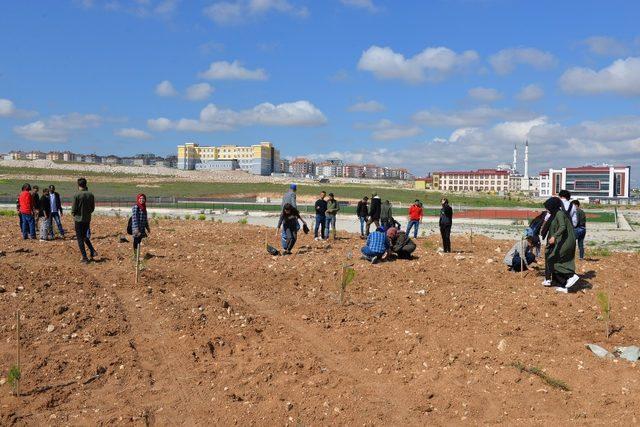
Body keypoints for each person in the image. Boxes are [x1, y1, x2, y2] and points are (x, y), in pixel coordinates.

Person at [542, 197, 579, 292]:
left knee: (555, 260)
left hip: (566, 241)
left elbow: (562, 226)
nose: (547, 210)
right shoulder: (555, 214)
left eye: (548, 207)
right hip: (563, 241)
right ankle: (564, 286)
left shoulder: (559, 214)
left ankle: (571, 276)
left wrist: (554, 236)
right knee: (554, 260)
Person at [71, 177, 96, 263]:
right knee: (85, 236)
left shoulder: (77, 195)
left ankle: (84, 257)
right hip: (87, 219)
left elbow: (73, 210)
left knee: (80, 238)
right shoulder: (91, 194)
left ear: (78, 185)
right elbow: (92, 208)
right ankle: (92, 250)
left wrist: (74, 215)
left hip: (78, 220)